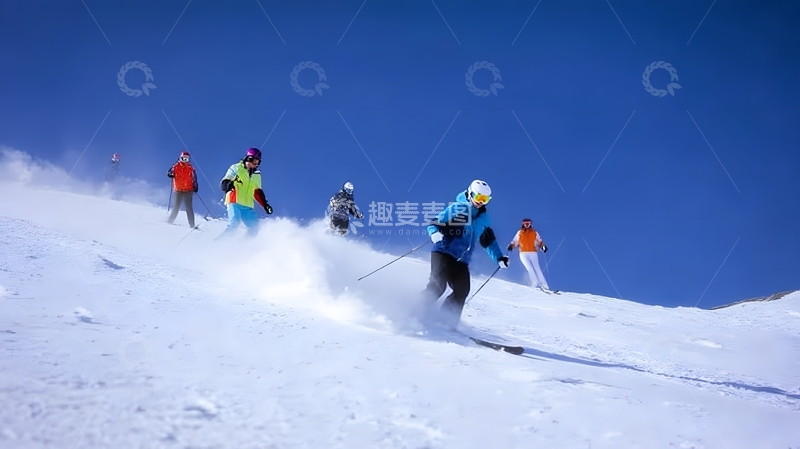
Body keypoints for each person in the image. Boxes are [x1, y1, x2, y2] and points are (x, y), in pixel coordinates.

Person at [424, 179, 509, 327]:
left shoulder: (483, 220)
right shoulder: (457, 208)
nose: (481, 202)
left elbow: (489, 242)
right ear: (470, 194)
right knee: (438, 286)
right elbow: (435, 222)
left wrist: (499, 258)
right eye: (478, 197)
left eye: (485, 199)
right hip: (443, 252)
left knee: (462, 290)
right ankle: (415, 311)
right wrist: (434, 233)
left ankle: (445, 322)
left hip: (461, 261)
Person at [217, 147, 273, 239]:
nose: (254, 165)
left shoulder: (257, 175)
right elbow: (226, 179)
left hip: (247, 206)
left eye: (257, 163)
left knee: (254, 227)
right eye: (253, 161)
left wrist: (265, 205)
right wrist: (227, 184)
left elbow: (257, 192)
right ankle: (220, 243)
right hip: (234, 201)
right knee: (235, 222)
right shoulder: (236, 168)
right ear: (248, 158)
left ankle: (244, 246)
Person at [507, 218, 550, 291]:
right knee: (529, 268)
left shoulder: (534, 232)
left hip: (533, 253)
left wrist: (543, 247)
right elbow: (515, 241)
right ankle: (535, 283)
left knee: (537, 268)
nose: (527, 224)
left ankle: (544, 285)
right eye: (525, 223)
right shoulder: (520, 232)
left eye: (528, 223)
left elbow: (540, 241)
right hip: (523, 253)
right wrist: (511, 246)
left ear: (530, 223)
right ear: (523, 224)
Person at [166, 150, 198, 228]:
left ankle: (192, 225)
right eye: (183, 159)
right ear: (180, 158)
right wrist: (170, 174)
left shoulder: (191, 168)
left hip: (188, 190)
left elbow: (194, 178)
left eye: (186, 159)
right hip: (178, 190)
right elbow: (169, 172)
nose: (185, 161)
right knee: (176, 206)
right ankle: (170, 221)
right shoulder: (176, 167)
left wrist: (195, 185)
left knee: (188, 207)